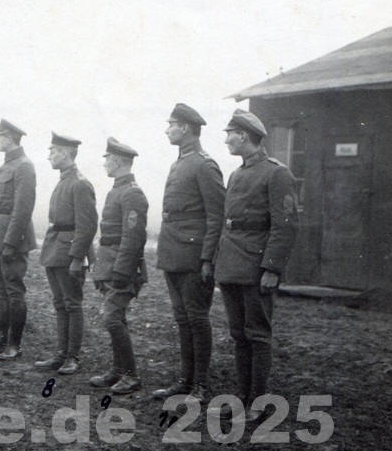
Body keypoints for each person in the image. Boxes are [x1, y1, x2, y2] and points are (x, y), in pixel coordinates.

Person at [212, 109, 298, 422]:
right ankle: (242, 397)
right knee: (239, 334)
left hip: (255, 266)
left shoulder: (276, 173)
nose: (226, 140)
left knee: (258, 334)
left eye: (229, 134)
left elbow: (285, 225)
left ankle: (258, 402)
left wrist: (272, 268)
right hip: (232, 264)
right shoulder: (237, 174)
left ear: (243, 135)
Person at [152, 104, 225, 402]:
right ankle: (186, 380)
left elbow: (216, 216)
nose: (166, 130)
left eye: (171, 124)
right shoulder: (180, 163)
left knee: (197, 318)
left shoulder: (204, 165)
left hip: (194, 256)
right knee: (182, 319)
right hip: (174, 252)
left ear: (184, 128)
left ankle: (201, 385)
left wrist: (207, 258)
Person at [35, 132, 98, 375]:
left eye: (53, 151)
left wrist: (77, 258)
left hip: (68, 251)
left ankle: (72, 357)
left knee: (72, 304)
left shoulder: (79, 183)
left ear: (65, 153)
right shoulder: (65, 180)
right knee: (60, 303)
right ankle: (61, 354)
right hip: (56, 247)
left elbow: (87, 225)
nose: (49, 155)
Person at [90, 137, 149, 394]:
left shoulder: (132, 193)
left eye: (107, 159)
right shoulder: (117, 190)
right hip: (110, 264)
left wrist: (122, 271)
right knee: (117, 319)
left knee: (112, 318)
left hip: (121, 268)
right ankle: (118, 371)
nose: (104, 164)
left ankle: (131, 376)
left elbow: (132, 237)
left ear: (117, 161)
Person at [0, 119, 36, 361]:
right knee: (0, 291)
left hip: (12, 237)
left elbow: (22, 208)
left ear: (10, 138)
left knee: (13, 291)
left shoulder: (24, 166)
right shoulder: (8, 164)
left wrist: (10, 242)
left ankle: (14, 345)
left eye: (0, 136)